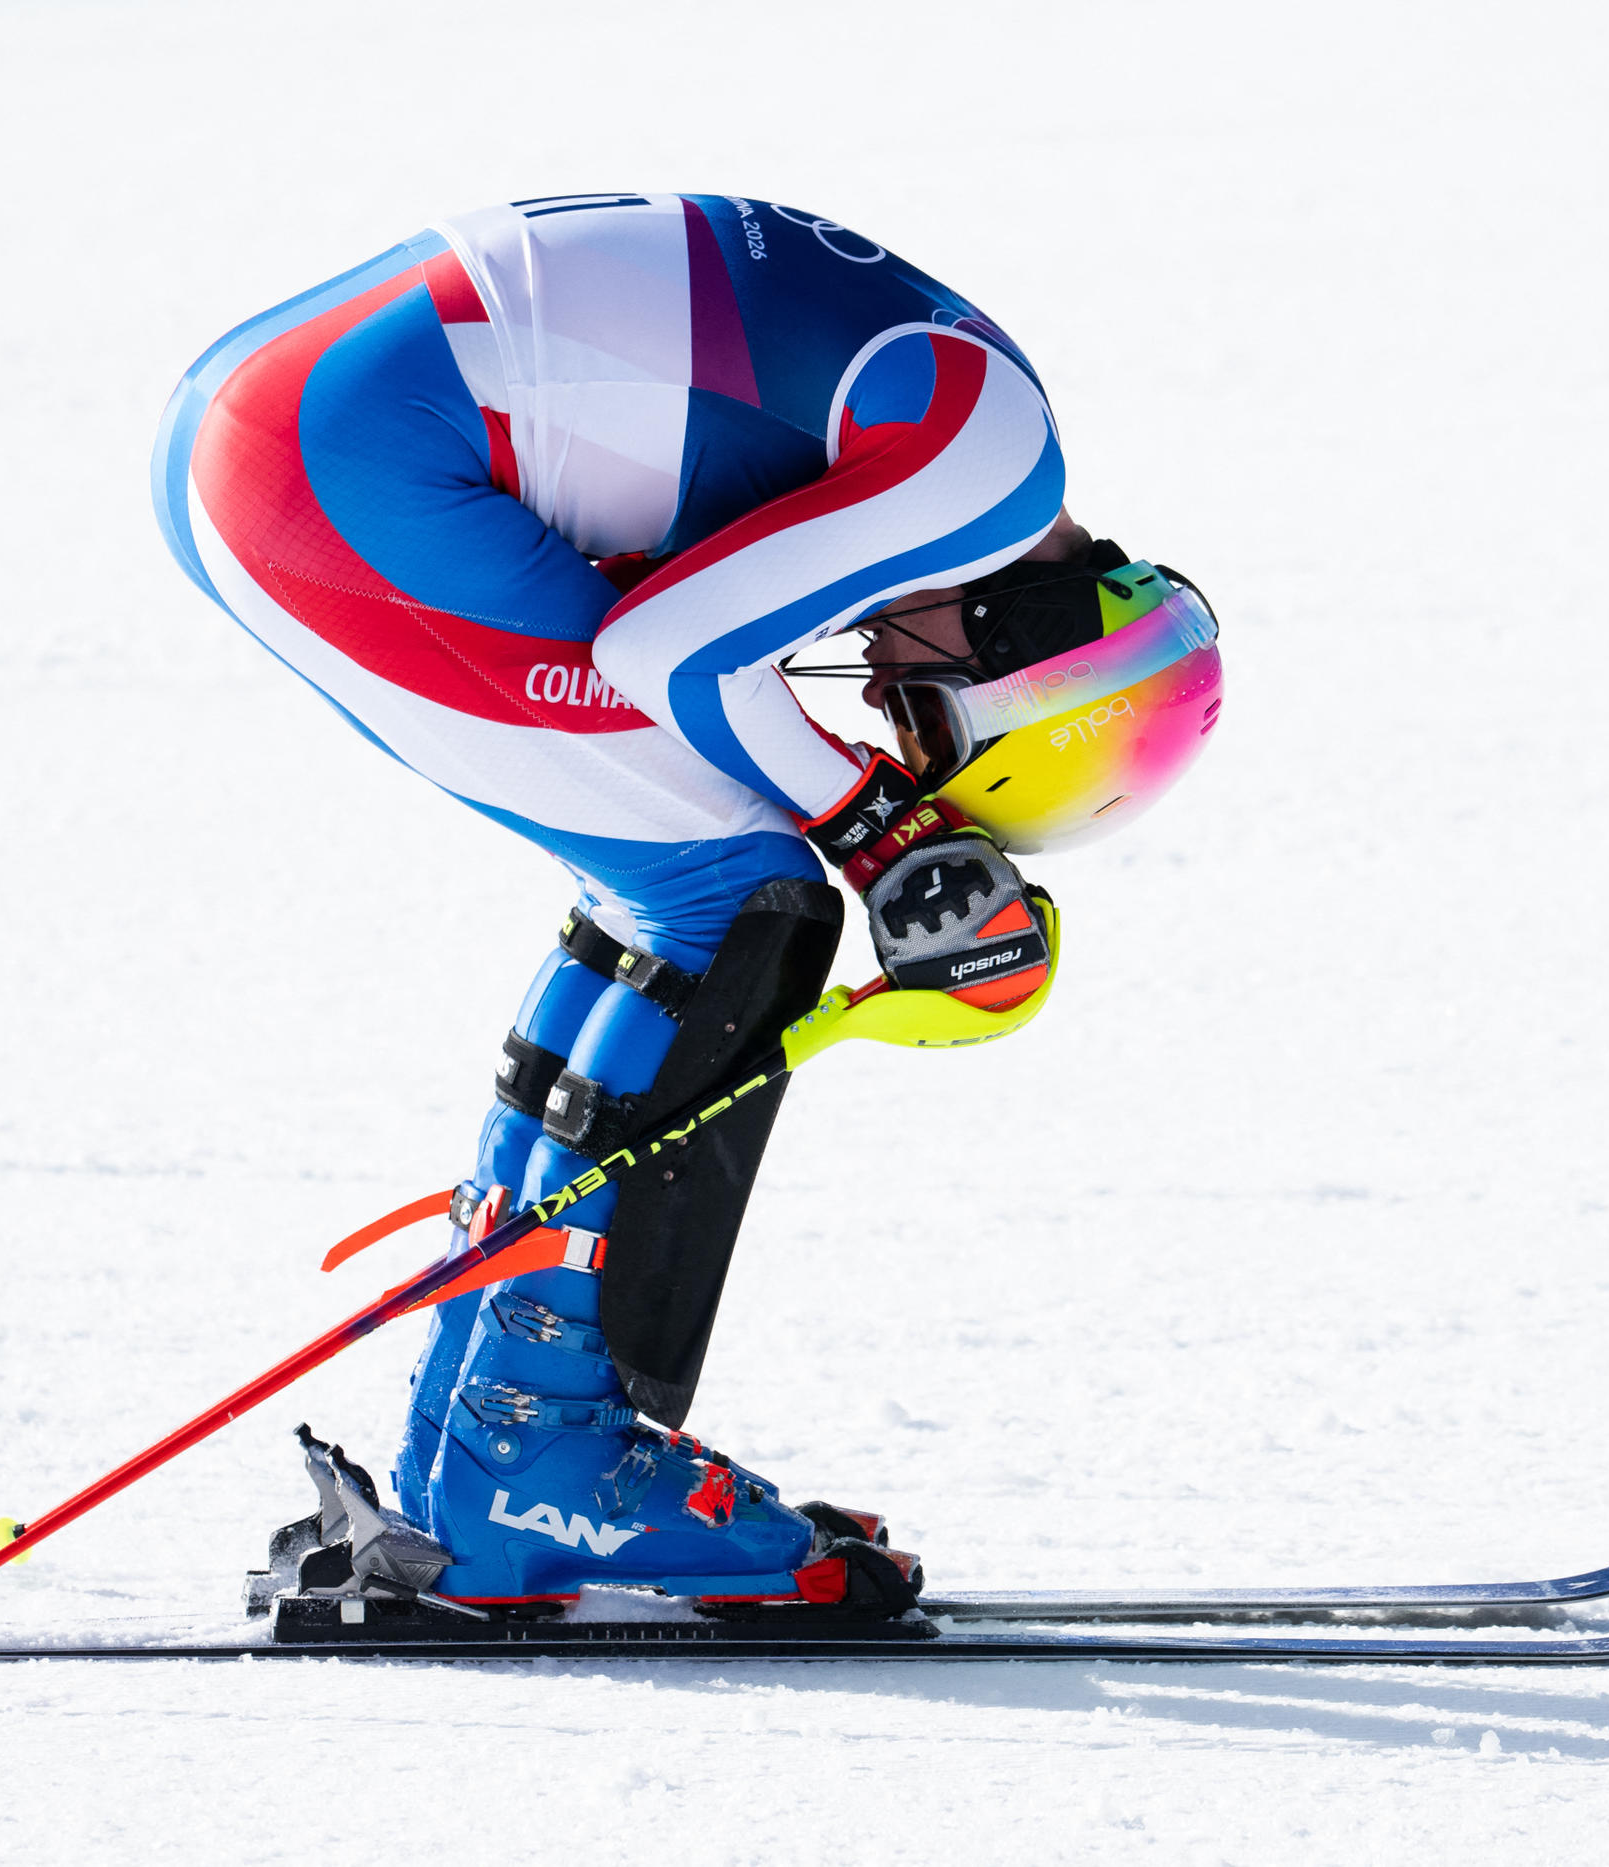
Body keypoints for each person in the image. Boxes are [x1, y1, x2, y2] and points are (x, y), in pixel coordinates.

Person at [152, 192, 1223, 1622]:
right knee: (745, 893)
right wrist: (880, 834)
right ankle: (538, 1469)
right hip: (349, 464)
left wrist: (864, 822)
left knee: (679, 879)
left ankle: (480, 1437)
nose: (883, 696)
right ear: (1024, 659)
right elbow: (675, 651)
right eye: (931, 721)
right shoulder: (990, 488)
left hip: (269, 423)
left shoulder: (994, 439)